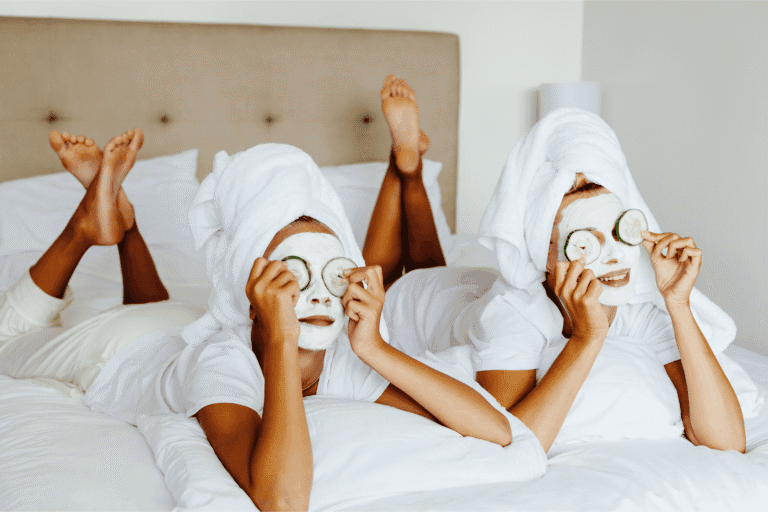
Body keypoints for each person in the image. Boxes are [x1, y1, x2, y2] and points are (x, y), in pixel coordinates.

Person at [0, 76, 511, 512]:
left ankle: (125, 227)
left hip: (176, 324)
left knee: (159, 308)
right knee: (9, 337)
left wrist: (374, 346)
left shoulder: (340, 355)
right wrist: (281, 345)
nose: (313, 293)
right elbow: (283, 500)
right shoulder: (225, 362)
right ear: (252, 288)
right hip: (118, 351)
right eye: (292, 274)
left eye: (329, 272)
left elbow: (498, 430)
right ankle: (87, 228)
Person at [470, 108, 746, 453]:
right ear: (544, 254)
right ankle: (408, 174)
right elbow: (509, 446)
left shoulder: (640, 309)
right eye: (585, 240)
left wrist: (678, 305)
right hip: (427, 297)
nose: (614, 257)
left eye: (620, 231)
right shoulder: (514, 313)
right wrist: (588, 338)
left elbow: (727, 442)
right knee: (412, 273)